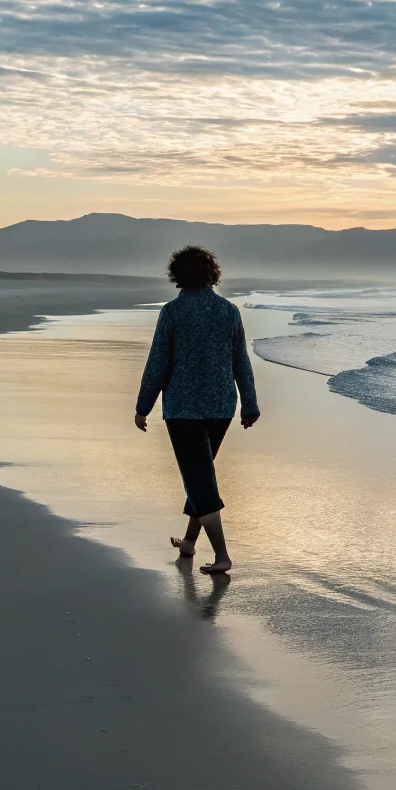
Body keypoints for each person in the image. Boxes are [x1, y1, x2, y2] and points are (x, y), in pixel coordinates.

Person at [133, 245, 260, 574]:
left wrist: (142, 406)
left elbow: (157, 363)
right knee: (200, 473)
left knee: (199, 476)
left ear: (178, 275)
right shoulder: (229, 311)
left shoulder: (173, 312)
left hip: (183, 408)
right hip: (221, 406)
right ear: (212, 274)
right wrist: (250, 402)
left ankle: (222, 556)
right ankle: (189, 542)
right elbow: (240, 362)